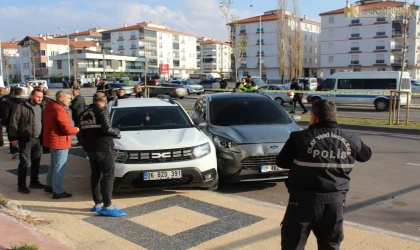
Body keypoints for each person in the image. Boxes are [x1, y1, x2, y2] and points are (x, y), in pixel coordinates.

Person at [276, 100, 372, 250]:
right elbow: (366, 156)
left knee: (292, 245)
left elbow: (281, 162)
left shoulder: (299, 138)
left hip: (301, 203)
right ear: (336, 117)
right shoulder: (351, 139)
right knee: (330, 245)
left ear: (314, 118)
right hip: (334, 204)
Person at [79, 93, 125, 217]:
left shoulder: (83, 114)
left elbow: (81, 134)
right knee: (108, 176)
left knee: (95, 175)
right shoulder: (103, 112)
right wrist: (117, 132)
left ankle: (97, 203)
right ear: (104, 101)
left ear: (93, 100)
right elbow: (108, 129)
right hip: (104, 147)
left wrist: (86, 147)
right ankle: (107, 205)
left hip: (91, 149)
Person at [43, 90, 79, 199]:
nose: (70, 100)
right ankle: (57, 191)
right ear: (61, 98)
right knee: (59, 167)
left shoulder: (50, 108)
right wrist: (76, 129)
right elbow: (66, 129)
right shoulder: (59, 111)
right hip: (60, 142)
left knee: (54, 165)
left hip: (53, 140)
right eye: (68, 98)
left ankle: (50, 185)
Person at [9, 89, 46, 194]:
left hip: (37, 139)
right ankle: (21, 185)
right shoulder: (21, 107)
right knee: (24, 163)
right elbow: (13, 122)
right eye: (38, 97)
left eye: (41, 97)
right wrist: (14, 137)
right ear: (31, 96)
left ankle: (34, 181)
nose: (40, 99)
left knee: (36, 162)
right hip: (25, 139)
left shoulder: (41, 107)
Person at [2, 87, 26, 158]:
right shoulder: (25, 101)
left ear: (14, 93)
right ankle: (22, 150)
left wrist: (4, 122)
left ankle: (14, 150)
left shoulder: (8, 101)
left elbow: (6, 113)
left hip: (11, 121)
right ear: (21, 93)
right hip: (22, 122)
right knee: (22, 136)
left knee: (12, 136)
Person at [40, 90, 51, 154]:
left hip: (39, 118)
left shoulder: (39, 100)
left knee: (41, 134)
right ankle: (46, 148)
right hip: (47, 119)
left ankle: (42, 146)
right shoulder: (50, 101)